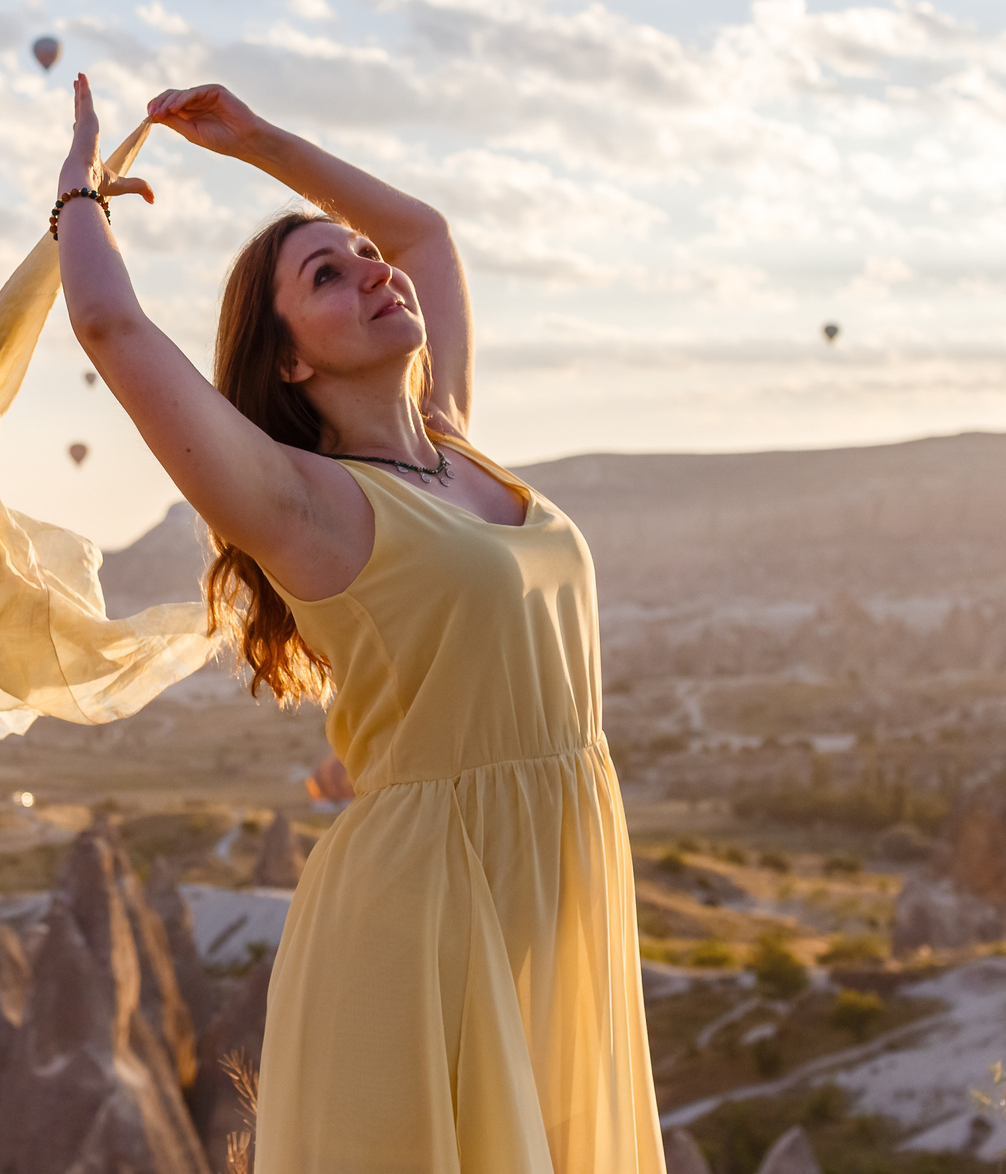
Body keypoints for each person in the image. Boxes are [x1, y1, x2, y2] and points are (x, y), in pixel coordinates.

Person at [55, 76, 664, 1174]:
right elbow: (111, 325)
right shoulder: (302, 504)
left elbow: (424, 235)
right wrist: (79, 197)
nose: (373, 269)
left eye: (361, 256)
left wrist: (259, 142)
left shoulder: (452, 442)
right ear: (289, 358)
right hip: (422, 903)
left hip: (552, 864)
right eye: (325, 276)